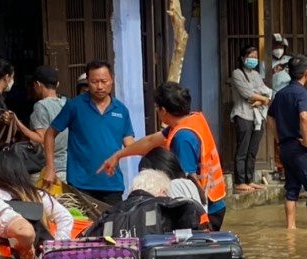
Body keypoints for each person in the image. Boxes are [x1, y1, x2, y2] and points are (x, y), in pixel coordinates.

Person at [98, 81, 228, 230]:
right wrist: (118, 155)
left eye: (157, 108)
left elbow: (186, 183)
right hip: (214, 201)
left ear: (163, 111)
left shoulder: (183, 137)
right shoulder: (191, 120)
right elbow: (151, 141)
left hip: (205, 208)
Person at [43, 60, 134, 206]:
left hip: (112, 184)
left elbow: (130, 143)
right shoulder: (74, 106)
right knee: (82, 228)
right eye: (94, 82)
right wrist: (50, 168)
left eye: (103, 81)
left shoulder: (121, 110)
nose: (99, 86)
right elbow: (49, 134)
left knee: (112, 227)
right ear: (88, 82)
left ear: (112, 80)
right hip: (80, 184)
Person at [267, 54, 307, 231]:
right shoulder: (301, 93)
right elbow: (304, 116)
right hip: (299, 146)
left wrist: (278, 139)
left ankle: (290, 229)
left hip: (285, 146)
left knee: (292, 187)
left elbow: (269, 119)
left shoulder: (281, 94)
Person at [0, 145, 74, 241]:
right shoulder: (38, 195)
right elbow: (65, 217)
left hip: (2, 252)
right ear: (23, 171)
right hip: (36, 250)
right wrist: (57, 244)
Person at [229, 46, 271, 192]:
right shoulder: (237, 73)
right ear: (242, 58)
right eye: (250, 56)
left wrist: (262, 100)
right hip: (243, 115)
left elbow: (267, 91)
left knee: (252, 150)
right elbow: (247, 93)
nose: (253, 59)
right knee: (243, 149)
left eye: (255, 56)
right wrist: (264, 99)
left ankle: (249, 179)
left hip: (257, 117)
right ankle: (239, 181)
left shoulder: (256, 74)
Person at [29, 66, 67, 183]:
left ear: (38, 84)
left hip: (50, 171)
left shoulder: (41, 106)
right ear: (58, 84)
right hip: (68, 167)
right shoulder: (67, 103)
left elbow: (42, 139)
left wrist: (19, 127)